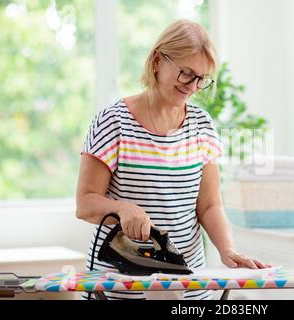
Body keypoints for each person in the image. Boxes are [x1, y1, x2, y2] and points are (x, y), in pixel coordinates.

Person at [75, 19, 271, 300]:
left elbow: (210, 205)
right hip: (119, 289)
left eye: (200, 79)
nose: (192, 86)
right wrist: (123, 209)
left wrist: (227, 249)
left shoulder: (202, 127)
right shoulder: (113, 122)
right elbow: (85, 203)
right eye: (186, 74)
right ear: (157, 61)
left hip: (188, 289)